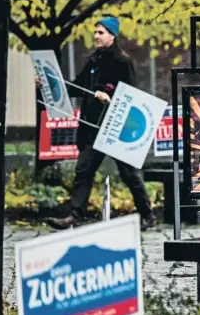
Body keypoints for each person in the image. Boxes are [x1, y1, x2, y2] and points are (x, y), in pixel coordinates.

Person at [37, 16, 157, 231]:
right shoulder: (93, 60)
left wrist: (109, 96)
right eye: (96, 32)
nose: (96, 36)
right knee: (83, 170)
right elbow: (76, 88)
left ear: (112, 35)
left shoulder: (122, 61)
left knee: (129, 174)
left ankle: (147, 215)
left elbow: (131, 93)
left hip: (115, 127)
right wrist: (46, 83)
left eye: (101, 32)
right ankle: (75, 215)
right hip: (92, 128)